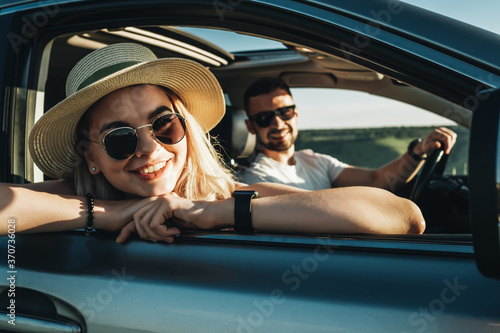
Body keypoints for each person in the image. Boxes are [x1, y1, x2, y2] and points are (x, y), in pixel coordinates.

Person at [0, 43, 425, 242]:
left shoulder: (223, 195)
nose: (150, 151)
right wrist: (112, 214)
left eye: (164, 125)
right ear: (90, 156)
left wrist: (209, 211)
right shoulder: (65, 198)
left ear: (188, 128)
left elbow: (402, 215)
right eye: (120, 139)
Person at [241, 77, 457, 192]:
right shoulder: (254, 179)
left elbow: (378, 180)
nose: (278, 123)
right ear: (251, 126)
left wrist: (417, 153)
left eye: (284, 112)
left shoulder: (316, 161)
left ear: (295, 114)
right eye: (264, 118)